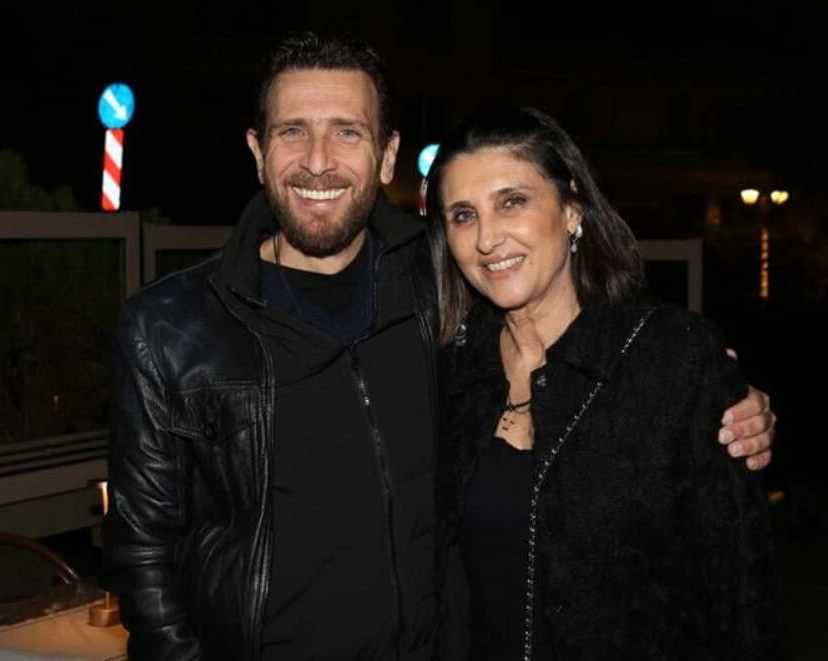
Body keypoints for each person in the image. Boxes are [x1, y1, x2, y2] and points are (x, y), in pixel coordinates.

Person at [102, 32, 776, 660]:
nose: (318, 160)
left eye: (347, 131)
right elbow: (142, 555)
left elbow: (732, 587)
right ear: (257, 151)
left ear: (387, 154)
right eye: (292, 131)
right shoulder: (171, 330)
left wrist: (722, 396)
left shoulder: (435, 305)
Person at [427, 106, 783, 660]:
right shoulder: (451, 372)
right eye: (463, 215)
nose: (488, 238)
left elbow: (742, 595)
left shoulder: (672, 358)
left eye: (512, 202)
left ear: (572, 208)